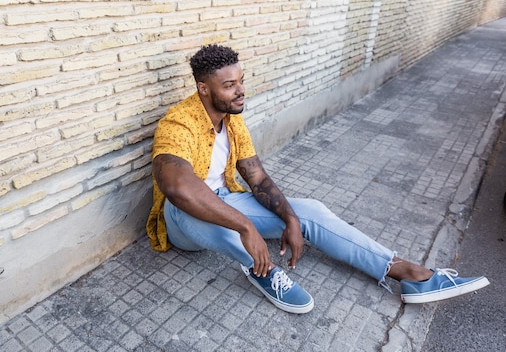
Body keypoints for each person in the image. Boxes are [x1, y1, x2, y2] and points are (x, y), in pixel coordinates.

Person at [145, 44, 489, 313]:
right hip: (182, 219)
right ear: (204, 89)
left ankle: (406, 273)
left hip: (224, 198)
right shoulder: (178, 123)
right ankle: (263, 271)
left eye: (242, 80)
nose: (241, 91)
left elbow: (257, 177)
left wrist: (291, 218)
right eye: (230, 85)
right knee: (218, 221)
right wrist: (247, 227)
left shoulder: (232, 119)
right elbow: (177, 187)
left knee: (311, 212)